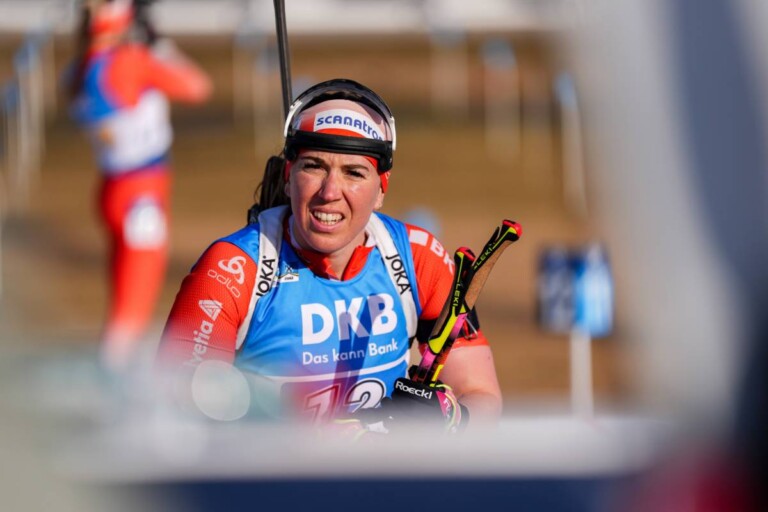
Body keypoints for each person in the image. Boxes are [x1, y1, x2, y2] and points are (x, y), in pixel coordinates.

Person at [156, 79, 502, 433]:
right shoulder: (232, 269)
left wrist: (452, 417)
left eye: (354, 173)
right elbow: (171, 410)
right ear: (288, 176)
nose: (330, 191)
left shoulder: (417, 257)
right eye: (314, 166)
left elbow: (481, 393)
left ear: (381, 189)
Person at [69, 0, 212, 369]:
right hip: (141, 193)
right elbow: (198, 87)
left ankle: (114, 366)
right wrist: (159, 46)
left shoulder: (80, 68)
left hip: (113, 186)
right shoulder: (130, 60)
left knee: (122, 297)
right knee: (134, 302)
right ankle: (115, 378)